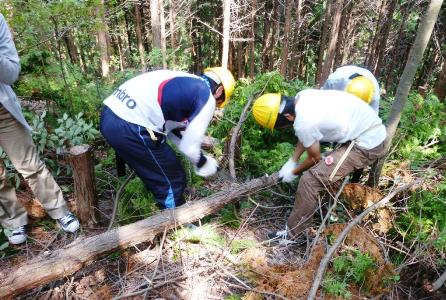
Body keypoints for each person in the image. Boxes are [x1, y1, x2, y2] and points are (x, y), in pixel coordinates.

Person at [252, 89, 386, 240]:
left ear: (288, 116)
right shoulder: (302, 96)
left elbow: (314, 157)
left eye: (281, 125)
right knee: (323, 169)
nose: (283, 128)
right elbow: (306, 135)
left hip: (366, 143)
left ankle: (292, 235)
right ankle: (325, 213)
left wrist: (293, 172)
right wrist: (293, 160)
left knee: (310, 180)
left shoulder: (303, 122)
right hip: (362, 131)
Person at [100, 68, 235, 209]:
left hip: (109, 115)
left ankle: (159, 199)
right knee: (173, 178)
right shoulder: (207, 97)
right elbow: (189, 147)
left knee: (160, 164)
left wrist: (199, 157)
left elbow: (172, 132)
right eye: (219, 102)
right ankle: (177, 224)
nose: (216, 105)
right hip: (130, 126)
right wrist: (203, 162)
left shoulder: (186, 82)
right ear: (219, 91)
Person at [0, 14, 79, 245]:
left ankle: (60, 211)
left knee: (31, 165)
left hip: (3, 110)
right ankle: (14, 223)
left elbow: (11, 73)